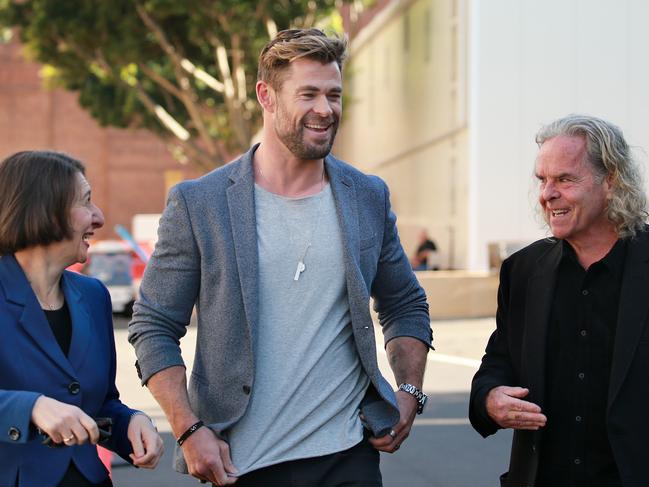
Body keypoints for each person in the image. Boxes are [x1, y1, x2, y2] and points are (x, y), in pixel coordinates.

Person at [129, 28, 432, 487]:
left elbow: (405, 303)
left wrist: (409, 391)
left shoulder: (366, 196)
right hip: (243, 467)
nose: (325, 109)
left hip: (346, 456)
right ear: (265, 96)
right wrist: (189, 430)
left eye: (334, 95)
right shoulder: (200, 204)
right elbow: (153, 325)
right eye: (308, 94)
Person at [469, 114, 649, 487]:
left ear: (611, 182)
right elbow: (499, 362)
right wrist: (490, 397)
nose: (547, 194)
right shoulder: (523, 270)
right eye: (543, 180)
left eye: (565, 180)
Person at [0, 151, 163, 487]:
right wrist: (30, 407)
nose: (99, 217)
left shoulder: (93, 296)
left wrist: (129, 423)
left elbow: (100, 404)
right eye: (86, 202)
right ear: (43, 208)